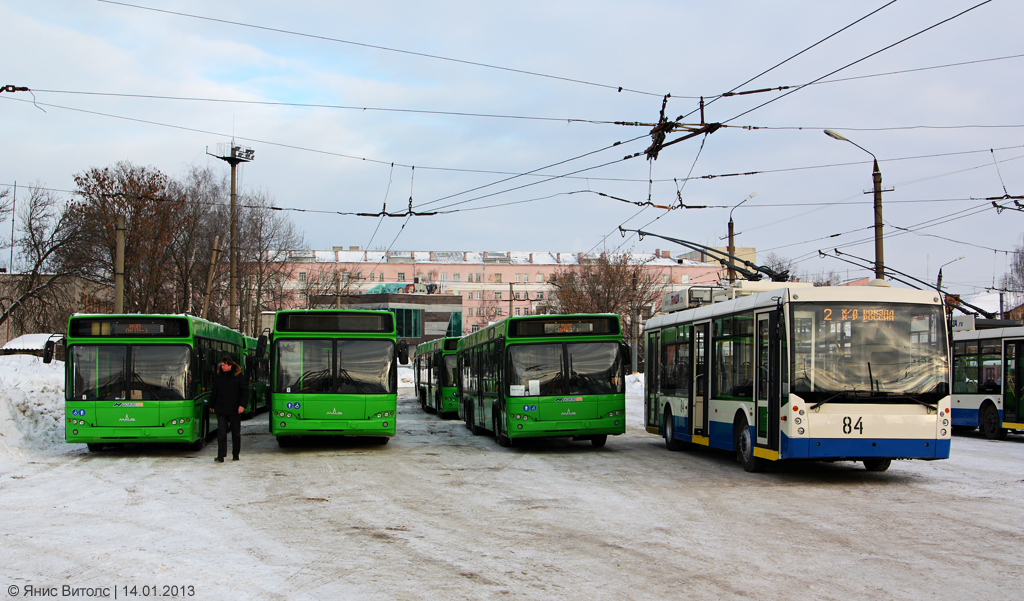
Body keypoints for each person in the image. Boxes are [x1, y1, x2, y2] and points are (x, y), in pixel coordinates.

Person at [209, 356, 248, 462]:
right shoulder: (219, 377)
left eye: (224, 365)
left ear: (230, 366)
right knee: (221, 432)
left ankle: (236, 454)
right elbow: (214, 391)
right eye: (222, 365)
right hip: (221, 409)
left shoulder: (238, 376)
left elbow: (245, 392)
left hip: (234, 409)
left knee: (235, 433)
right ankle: (221, 455)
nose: (222, 367)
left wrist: (242, 405)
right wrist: (211, 404)